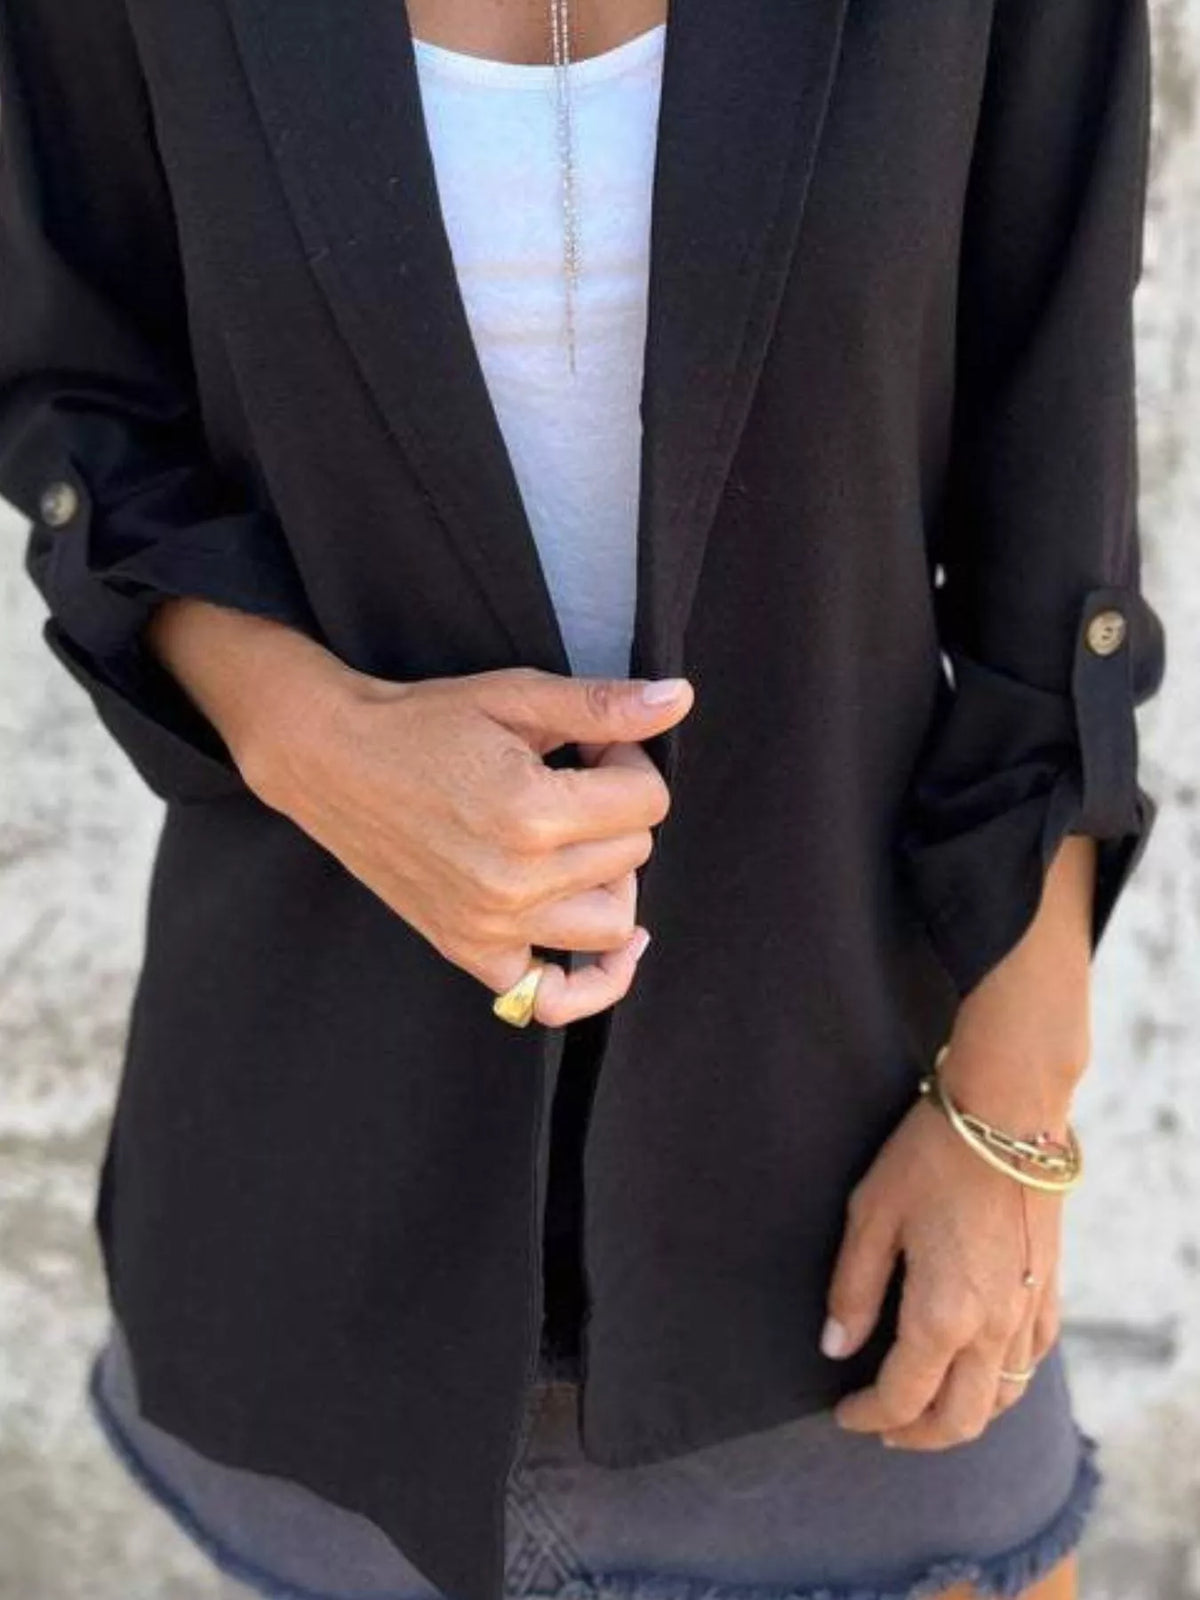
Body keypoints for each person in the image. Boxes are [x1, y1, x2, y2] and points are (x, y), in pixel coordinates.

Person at [0, 2, 1168, 1599]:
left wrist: (1013, 1113)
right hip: (324, 1200)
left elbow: (1058, 542)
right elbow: (80, 390)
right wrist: (309, 737)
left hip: (844, 1212)